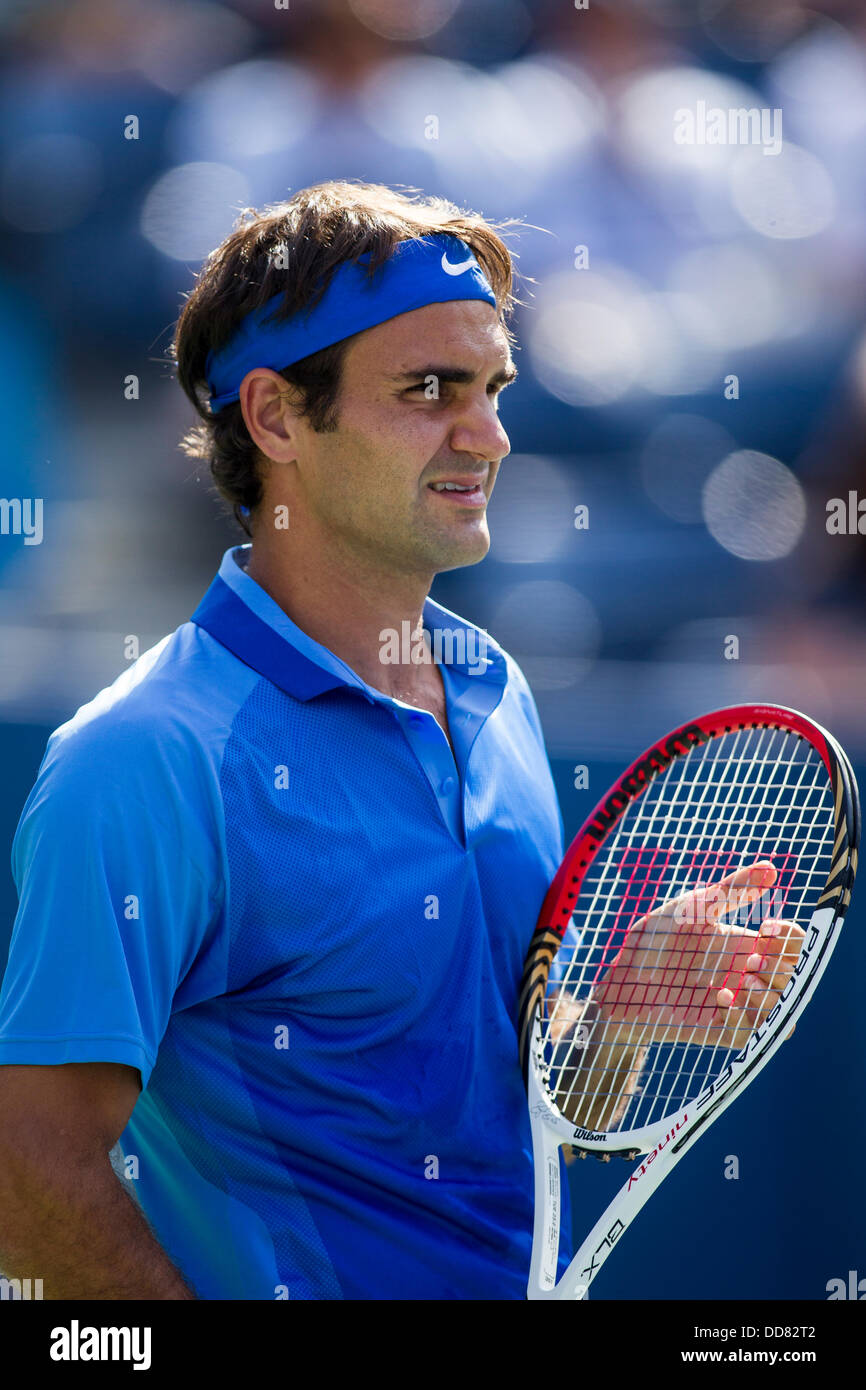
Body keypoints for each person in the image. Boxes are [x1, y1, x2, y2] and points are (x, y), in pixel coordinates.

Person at [0, 180, 799, 1300]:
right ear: (276, 417)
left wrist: (607, 1019)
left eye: (490, 389)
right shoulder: (142, 761)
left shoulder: (496, 690)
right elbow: (26, 1166)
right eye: (430, 391)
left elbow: (513, 1106)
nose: (489, 435)